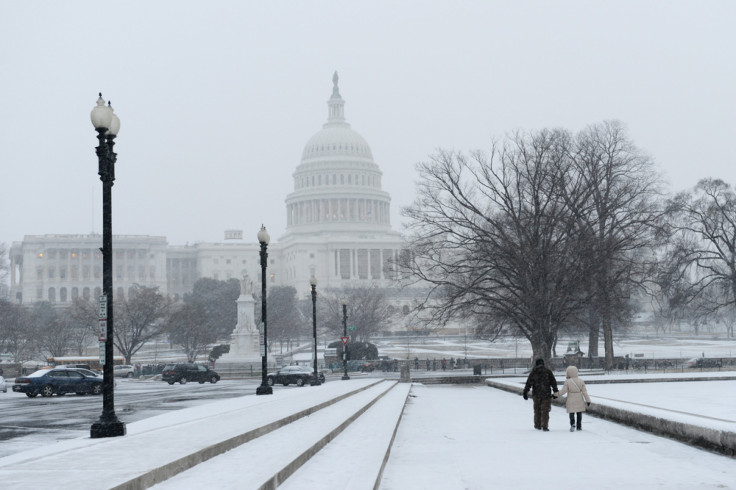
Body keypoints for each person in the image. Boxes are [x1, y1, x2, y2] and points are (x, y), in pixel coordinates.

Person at [522, 358, 559, 431]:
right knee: (545, 411)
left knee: (537, 410)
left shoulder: (534, 372)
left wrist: (525, 392)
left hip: (536, 394)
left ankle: (537, 425)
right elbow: (553, 383)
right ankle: (544, 425)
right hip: (546, 394)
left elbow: (528, 383)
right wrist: (555, 392)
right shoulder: (548, 372)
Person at [556, 365, 591, 431]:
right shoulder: (581, 381)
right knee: (579, 413)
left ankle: (572, 423)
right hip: (579, 398)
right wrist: (588, 400)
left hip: (571, 398)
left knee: (571, 412)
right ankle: (579, 426)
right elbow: (584, 392)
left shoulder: (568, 381)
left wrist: (556, 394)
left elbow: (563, 391)